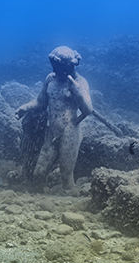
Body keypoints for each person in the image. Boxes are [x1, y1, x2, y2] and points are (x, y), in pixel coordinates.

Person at [15, 46, 123, 192]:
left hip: (70, 132)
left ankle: (70, 205)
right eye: (54, 66)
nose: (55, 69)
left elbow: (87, 110)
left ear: (68, 66)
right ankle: (39, 202)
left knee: (66, 177)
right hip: (52, 133)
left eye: (59, 66)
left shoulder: (79, 82)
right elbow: (41, 102)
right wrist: (25, 108)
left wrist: (77, 92)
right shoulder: (50, 79)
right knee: (38, 174)